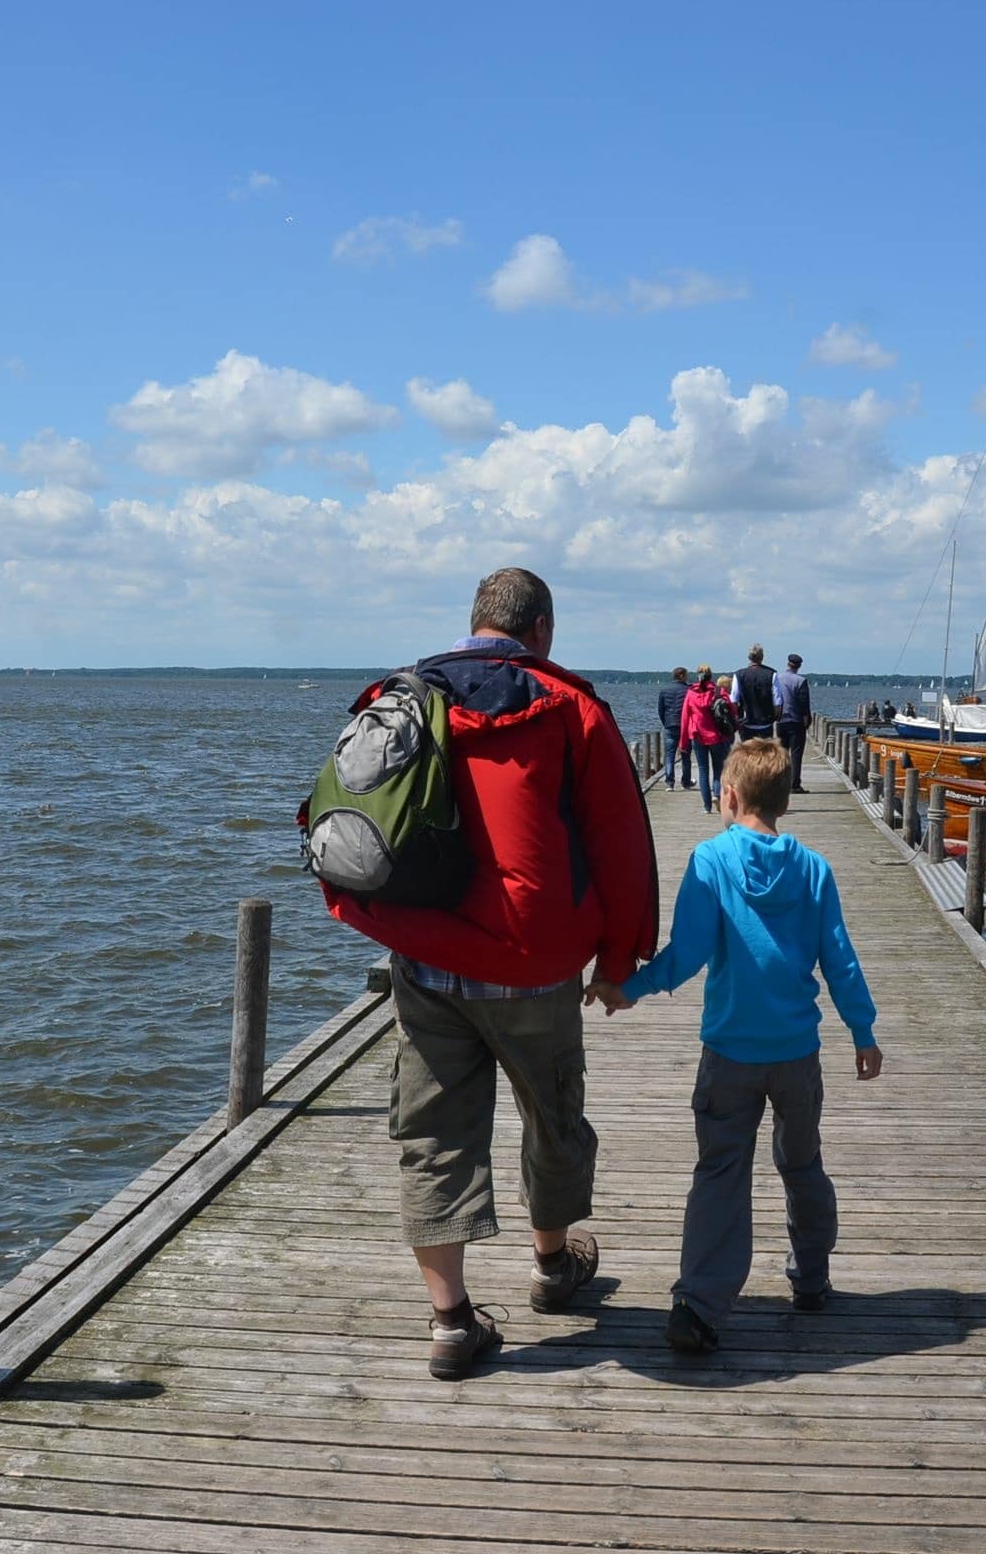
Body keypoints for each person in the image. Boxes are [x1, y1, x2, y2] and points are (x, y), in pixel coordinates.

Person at [321, 568, 659, 1379]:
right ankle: (551, 1267)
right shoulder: (571, 707)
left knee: (435, 1136)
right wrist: (617, 964)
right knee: (553, 1116)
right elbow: (621, 847)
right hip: (533, 963)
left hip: (428, 955)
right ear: (540, 629)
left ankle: (449, 1323)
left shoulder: (407, 692)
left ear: (474, 622)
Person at [585, 739, 882, 1351]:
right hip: (796, 1053)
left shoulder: (711, 859)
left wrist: (630, 987)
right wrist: (862, 1031)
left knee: (721, 1172)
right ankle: (813, 1275)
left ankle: (699, 1304)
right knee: (802, 1166)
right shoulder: (814, 869)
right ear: (783, 801)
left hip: (728, 1054)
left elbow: (688, 954)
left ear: (729, 795)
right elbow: (841, 961)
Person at [680, 664, 734, 814]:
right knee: (718, 769)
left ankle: (707, 806)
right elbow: (732, 711)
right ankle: (717, 794)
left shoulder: (690, 694)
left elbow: (684, 719)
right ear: (711, 676)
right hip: (717, 736)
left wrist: (683, 743)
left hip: (698, 736)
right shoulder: (719, 692)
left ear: (698, 676)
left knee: (703, 771)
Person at [773, 652, 813, 793]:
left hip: (781, 720)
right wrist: (807, 719)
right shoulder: (801, 681)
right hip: (796, 721)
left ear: (788, 663)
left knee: (782, 753)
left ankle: (780, 783)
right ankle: (794, 784)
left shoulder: (777, 678)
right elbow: (804, 703)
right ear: (799, 666)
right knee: (796, 754)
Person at [731, 644, 779, 740]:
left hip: (746, 723)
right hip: (765, 723)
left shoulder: (739, 674)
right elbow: (777, 702)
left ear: (749, 657)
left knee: (747, 754)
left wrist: (737, 717)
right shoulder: (772, 674)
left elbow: (733, 700)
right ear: (762, 657)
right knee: (765, 754)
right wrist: (774, 717)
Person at [658, 665, 691, 791]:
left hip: (670, 725)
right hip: (684, 726)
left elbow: (661, 710)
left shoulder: (664, 690)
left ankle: (670, 782)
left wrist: (665, 722)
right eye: (686, 675)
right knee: (686, 755)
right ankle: (686, 782)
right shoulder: (689, 690)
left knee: (669, 755)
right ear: (682, 676)